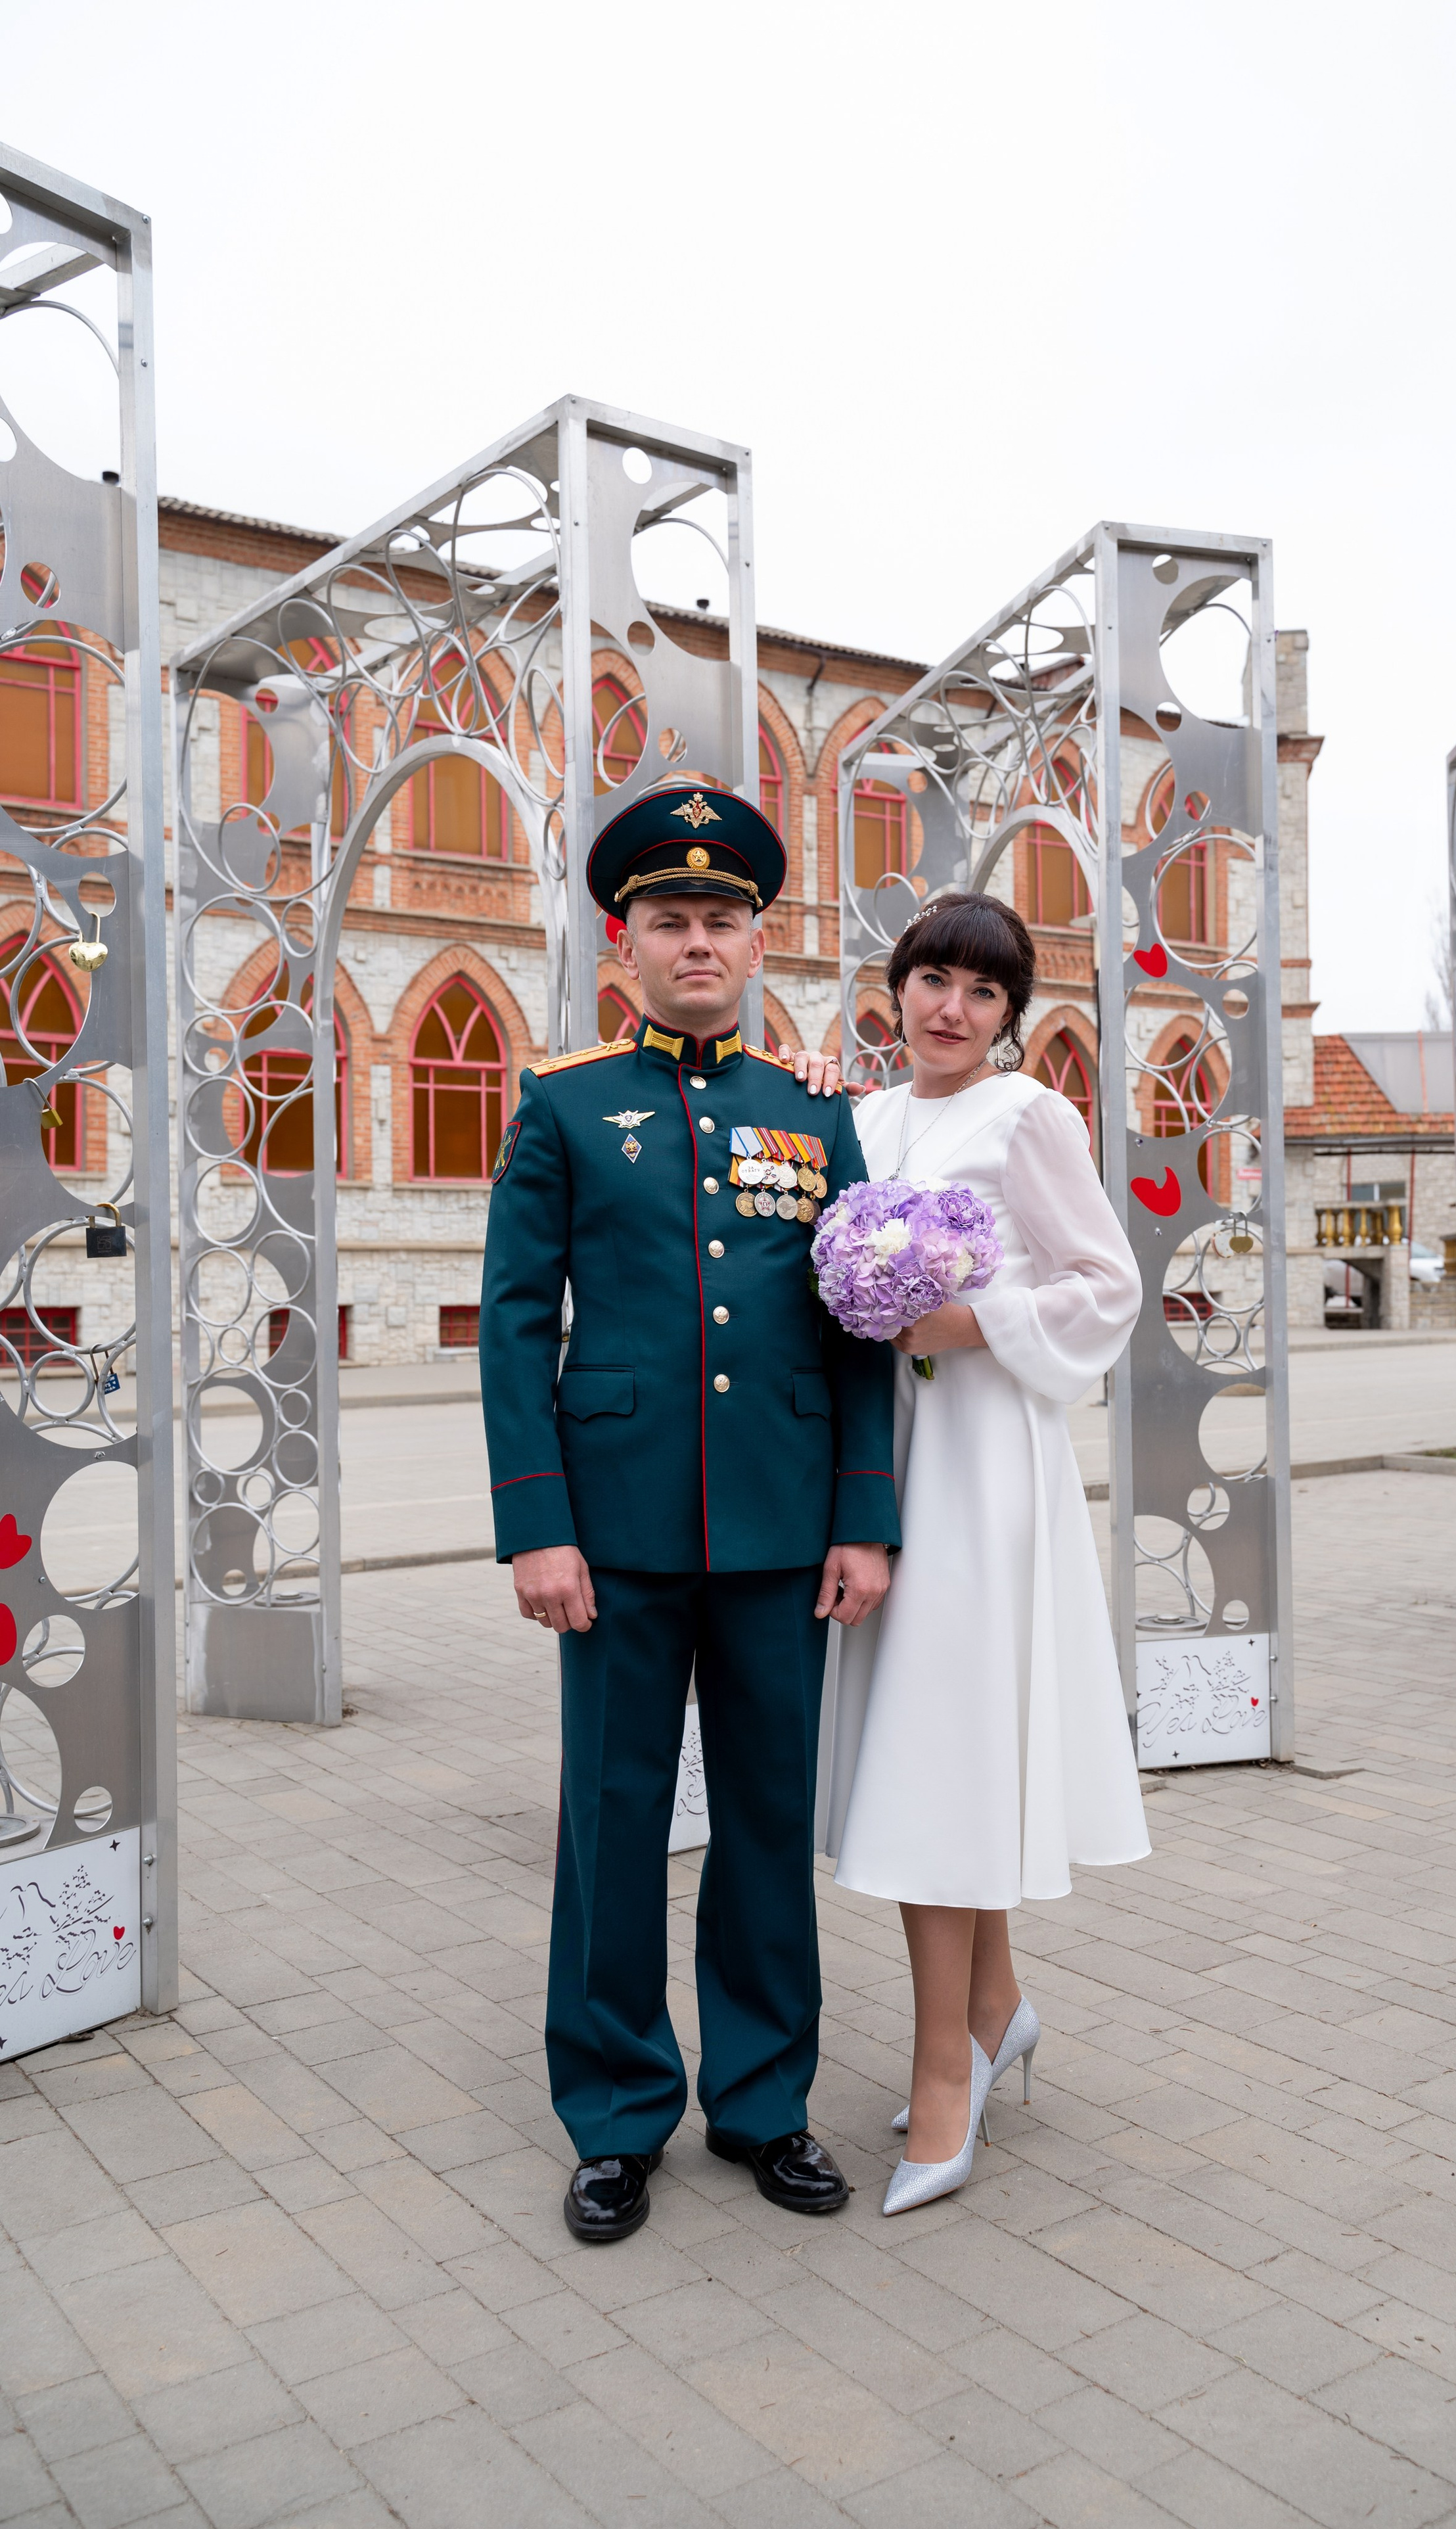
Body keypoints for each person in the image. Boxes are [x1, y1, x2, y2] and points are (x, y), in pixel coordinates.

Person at [479, 770, 900, 2244]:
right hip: (611, 1533)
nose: (698, 942)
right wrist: (536, 1521)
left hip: (784, 1530)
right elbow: (517, 1320)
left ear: (756, 942)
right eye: (671, 919)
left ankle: (766, 2100)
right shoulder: (565, 1106)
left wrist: (864, 1518)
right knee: (610, 1824)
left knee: (770, 1825)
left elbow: (857, 1329)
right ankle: (611, 2112)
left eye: (723, 919)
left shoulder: (815, 1118)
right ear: (625, 941)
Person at [815, 891, 1150, 2216]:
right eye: (931, 980)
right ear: (894, 987)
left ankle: (943, 2076)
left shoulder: (1029, 1117)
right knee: (927, 1747)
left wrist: (974, 1319)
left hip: (982, 1461)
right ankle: (993, 2006)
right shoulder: (858, 1121)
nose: (950, 1009)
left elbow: (1103, 1280)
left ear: (1010, 1017)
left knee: (938, 1754)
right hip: (882, 1457)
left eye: (982, 991)